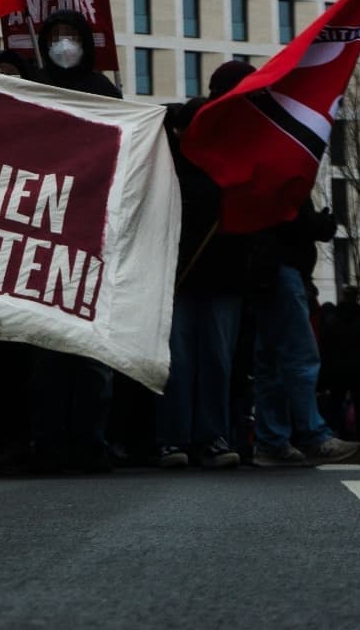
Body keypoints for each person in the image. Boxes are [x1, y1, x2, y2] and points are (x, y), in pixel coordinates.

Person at [28, 9, 119, 473]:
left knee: (90, 352)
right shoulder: (33, 87)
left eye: (71, 36)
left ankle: (89, 441)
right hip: (43, 234)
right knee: (47, 352)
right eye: (56, 36)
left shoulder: (104, 92)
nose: (64, 44)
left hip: (91, 234)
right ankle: (48, 442)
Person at [155, 97, 243, 470]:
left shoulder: (230, 166)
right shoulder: (165, 168)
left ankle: (211, 437)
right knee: (178, 361)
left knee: (216, 362)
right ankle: (172, 438)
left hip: (223, 280)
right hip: (178, 279)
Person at [251, 197, 360, 466]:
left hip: (265, 269)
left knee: (271, 363)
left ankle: (272, 441)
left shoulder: (264, 166)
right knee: (300, 355)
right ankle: (313, 435)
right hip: (283, 269)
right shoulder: (286, 172)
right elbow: (294, 217)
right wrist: (321, 223)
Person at [318, 286, 360, 443]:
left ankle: (339, 436)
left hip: (337, 368)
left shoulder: (333, 319)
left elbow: (326, 343)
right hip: (358, 367)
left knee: (336, 405)